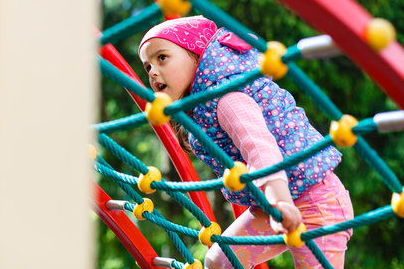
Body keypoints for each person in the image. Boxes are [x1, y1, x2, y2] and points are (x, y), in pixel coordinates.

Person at [138, 15, 353, 269]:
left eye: (162, 57)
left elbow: (260, 148)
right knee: (220, 260)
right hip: (271, 204)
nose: (153, 71)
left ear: (195, 55)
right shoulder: (203, 105)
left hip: (315, 202)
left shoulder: (226, 98)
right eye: (147, 66)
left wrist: (279, 201)